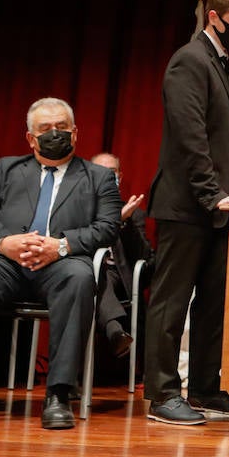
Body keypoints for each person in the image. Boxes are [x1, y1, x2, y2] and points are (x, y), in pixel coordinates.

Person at [0, 97, 120, 430]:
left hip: (62, 262)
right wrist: (4, 242)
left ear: (75, 133)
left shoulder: (98, 177)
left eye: (62, 128)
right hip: (7, 262)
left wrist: (61, 245)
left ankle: (58, 394)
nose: (55, 134)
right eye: (45, 129)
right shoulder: (6, 169)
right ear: (30, 138)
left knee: (80, 279)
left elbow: (108, 226)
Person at [145, 0, 229, 426]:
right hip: (187, 205)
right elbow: (189, 136)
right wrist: (212, 195)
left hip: (226, 208)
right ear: (213, 17)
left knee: (214, 301)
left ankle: (206, 389)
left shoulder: (227, 69)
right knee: (172, 301)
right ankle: (161, 394)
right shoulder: (188, 61)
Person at [91, 151, 151, 360]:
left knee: (103, 275)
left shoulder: (133, 212)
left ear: (120, 176)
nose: (107, 176)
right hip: (82, 270)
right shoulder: (79, 208)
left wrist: (124, 222)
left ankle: (115, 330)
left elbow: (144, 255)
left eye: (112, 172)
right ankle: (115, 330)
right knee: (94, 273)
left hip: (119, 275)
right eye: (100, 172)